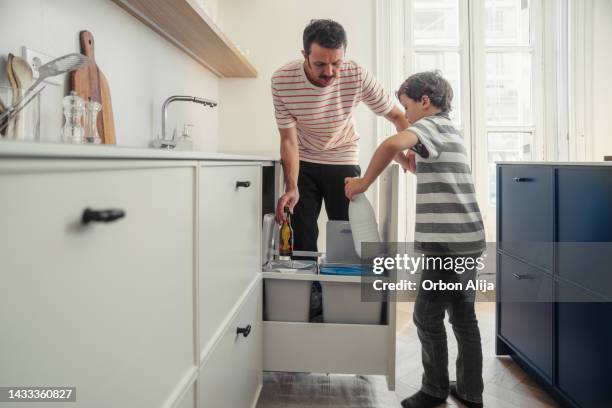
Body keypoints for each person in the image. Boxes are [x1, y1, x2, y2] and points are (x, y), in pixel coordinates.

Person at [344, 71, 486, 408]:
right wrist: (406, 156)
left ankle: (435, 389)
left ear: (425, 101)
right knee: (463, 315)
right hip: (468, 238)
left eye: (407, 107)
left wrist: (364, 182)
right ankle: (470, 389)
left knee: (425, 314)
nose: (404, 116)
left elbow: (393, 143)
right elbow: (409, 156)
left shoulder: (429, 126)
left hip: (445, 243)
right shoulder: (449, 130)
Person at [272, 19, 409, 256]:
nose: (329, 72)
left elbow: (397, 115)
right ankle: (309, 290)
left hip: (343, 156)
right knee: (301, 235)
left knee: (348, 233)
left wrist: (409, 153)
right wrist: (292, 187)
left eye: (336, 63)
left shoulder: (356, 74)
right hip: (303, 158)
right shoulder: (282, 80)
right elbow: (288, 140)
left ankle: (343, 291)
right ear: (304, 54)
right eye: (320, 64)